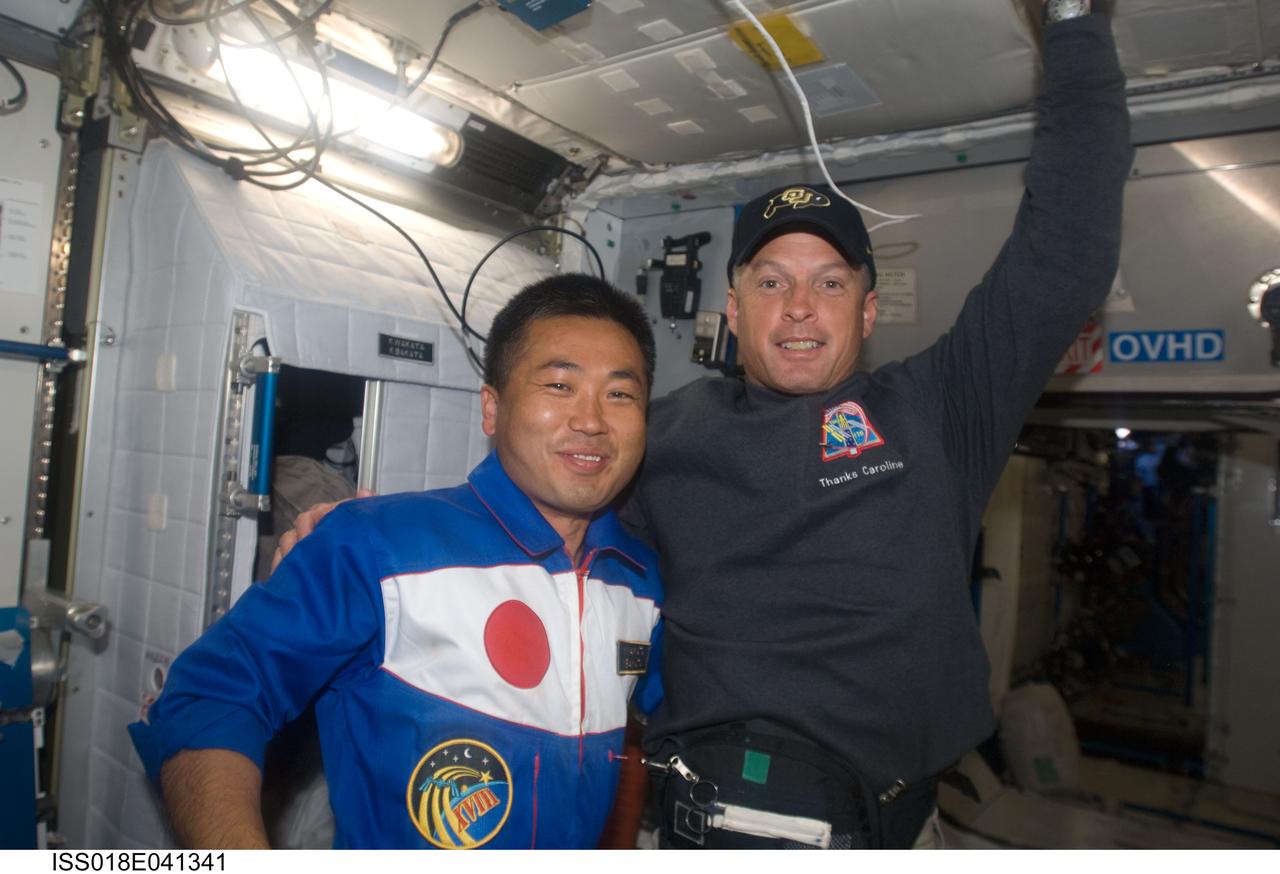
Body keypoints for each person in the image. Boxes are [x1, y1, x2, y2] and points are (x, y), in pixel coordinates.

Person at [277, 0, 1132, 850]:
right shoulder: (665, 431)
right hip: (698, 824)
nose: (799, 306)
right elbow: (537, 508)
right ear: (735, 305)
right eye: (772, 281)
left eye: (830, 283)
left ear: (868, 310)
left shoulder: (942, 407)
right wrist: (369, 535)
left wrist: (1073, 27)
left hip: (884, 827)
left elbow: (1064, 253)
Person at [129, 274, 664, 849]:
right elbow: (209, 698)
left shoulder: (640, 582)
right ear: (492, 408)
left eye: (620, 394)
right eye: (559, 385)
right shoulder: (375, 545)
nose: (591, 420)